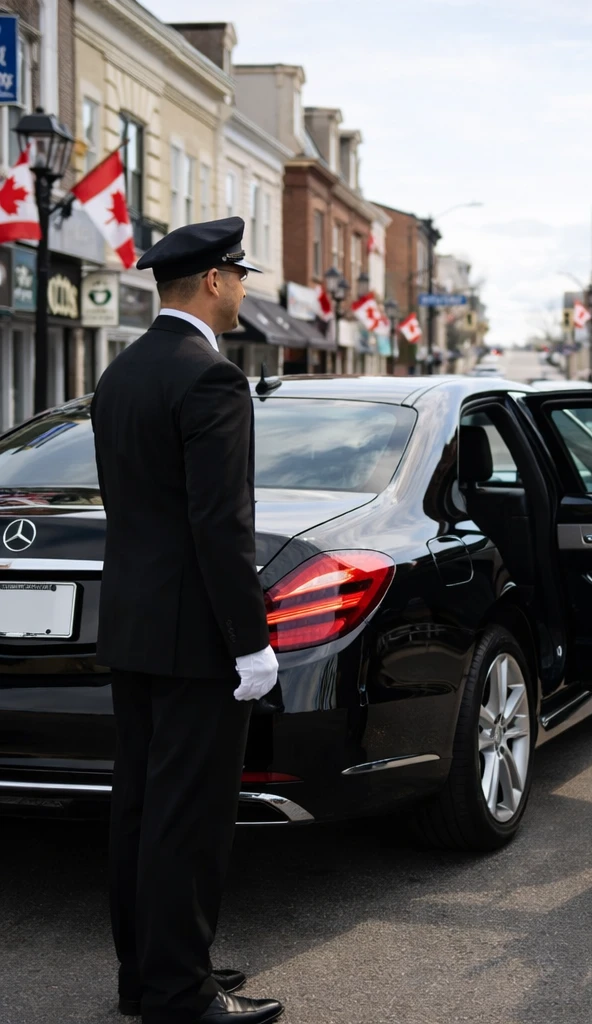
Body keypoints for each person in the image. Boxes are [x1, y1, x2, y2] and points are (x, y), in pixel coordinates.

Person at [91, 217, 284, 1022]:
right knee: (189, 819)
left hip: (134, 624)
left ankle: (151, 975)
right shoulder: (210, 379)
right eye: (238, 275)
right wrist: (252, 642)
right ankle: (180, 994)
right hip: (194, 635)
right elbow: (220, 526)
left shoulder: (123, 371)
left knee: (139, 808)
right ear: (211, 281)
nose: (243, 289)